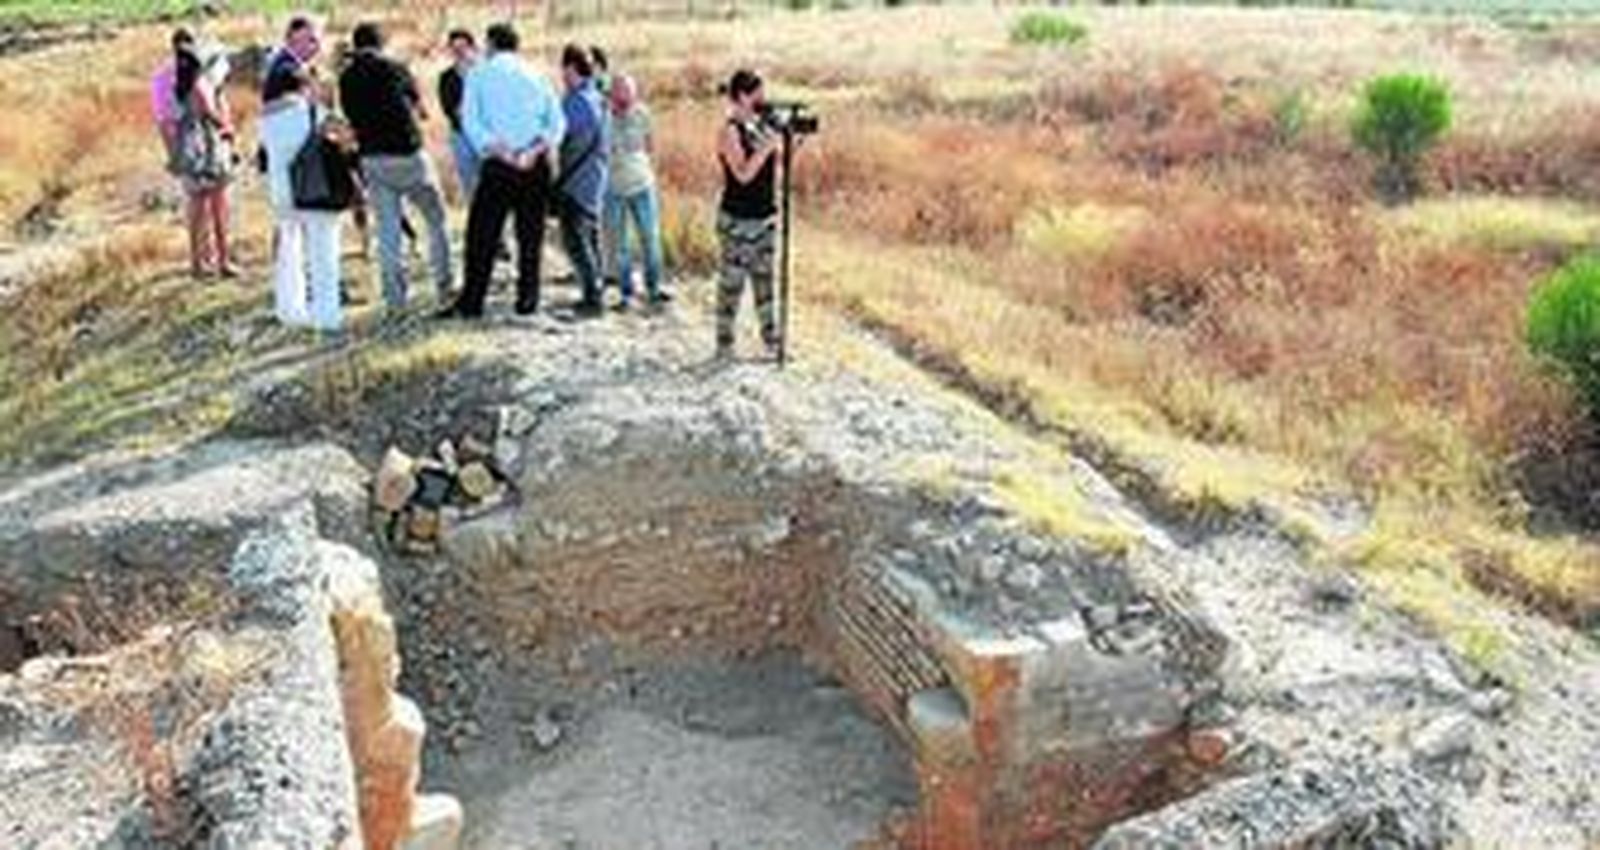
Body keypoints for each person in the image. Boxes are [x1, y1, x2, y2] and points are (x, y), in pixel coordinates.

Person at [441, 22, 564, 319]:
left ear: (490, 44)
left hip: (499, 163)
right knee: (530, 235)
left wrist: (500, 151)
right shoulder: (536, 73)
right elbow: (557, 122)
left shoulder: (478, 74)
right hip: (535, 162)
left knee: (482, 235)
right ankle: (527, 300)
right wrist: (534, 150)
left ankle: (472, 303)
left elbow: (471, 122)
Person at [339, 22, 452, 312]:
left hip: (372, 159)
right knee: (436, 220)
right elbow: (421, 111)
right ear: (381, 44)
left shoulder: (346, 77)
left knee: (388, 232)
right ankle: (444, 286)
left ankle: (395, 301)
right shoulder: (395, 68)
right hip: (408, 155)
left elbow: (350, 119)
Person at [259, 15, 343, 331]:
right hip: (312, 186)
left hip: (283, 186)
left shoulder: (271, 95)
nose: (316, 46)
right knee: (322, 248)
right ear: (291, 39)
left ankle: (291, 311)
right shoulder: (292, 85)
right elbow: (332, 127)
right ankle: (327, 317)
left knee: (289, 244)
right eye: (311, 39)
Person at [715, 69, 782, 359]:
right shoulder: (729, 131)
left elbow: (772, 168)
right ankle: (724, 343)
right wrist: (766, 148)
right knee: (732, 285)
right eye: (758, 93)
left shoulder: (758, 127)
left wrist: (785, 145)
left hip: (764, 216)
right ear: (742, 96)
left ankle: (771, 340)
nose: (762, 99)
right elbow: (742, 175)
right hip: (738, 220)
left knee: (765, 284)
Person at [173, 44, 238, 279]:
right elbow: (211, 114)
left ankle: (197, 262)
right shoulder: (200, 85)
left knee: (196, 212)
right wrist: (228, 128)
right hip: (209, 152)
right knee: (219, 208)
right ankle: (223, 261)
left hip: (189, 153)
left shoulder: (178, 87)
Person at [605, 73, 667, 309]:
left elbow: (650, 146)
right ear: (613, 94)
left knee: (650, 239)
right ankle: (626, 293)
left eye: (631, 92)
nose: (627, 97)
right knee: (621, 245)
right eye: (622, 92)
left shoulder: (643, 114)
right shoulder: (604, 118)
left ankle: (654, 288)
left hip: (642, 185)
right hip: (614, 189)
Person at [556, 44, 608, 316]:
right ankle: (598, 290)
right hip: (595, 176)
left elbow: (557, 135)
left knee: (576, 240)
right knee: (592, 236)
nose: (561, 74)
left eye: (563, 68)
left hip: (576, 181)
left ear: (571, 68)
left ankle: (592, 298)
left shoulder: (575, 102)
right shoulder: (597, 96)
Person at [437, 29, 481, 201]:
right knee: (469, 184)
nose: (459, 52)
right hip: (461, 136)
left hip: (487, 136)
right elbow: (449, 108)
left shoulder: (484, 73)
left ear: (472, 48)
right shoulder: (446, 77)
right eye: (454, 48)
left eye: (463, 47)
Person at [151, 28, 195, 172]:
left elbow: (160, 113)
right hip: (181, 121)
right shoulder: (189, 66)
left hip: (168, 122)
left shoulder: (160, 72)